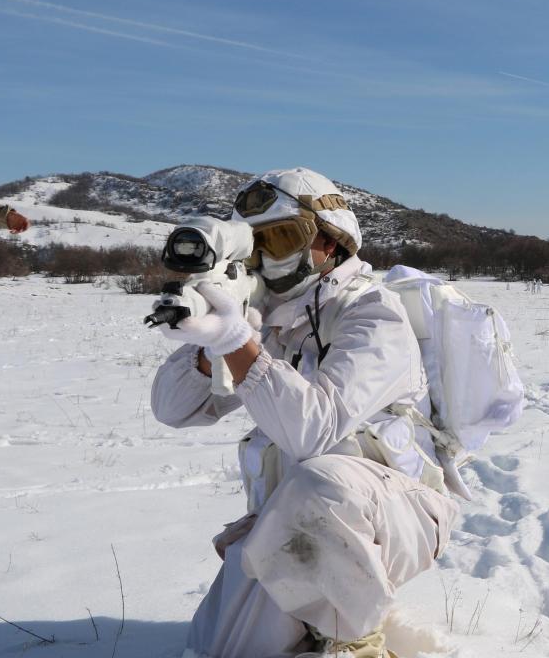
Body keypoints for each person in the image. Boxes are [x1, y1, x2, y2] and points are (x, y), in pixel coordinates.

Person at [150, 168, 458, 658]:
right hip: (290, 522)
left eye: (284, 238)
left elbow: (313, 433)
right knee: (217, 648)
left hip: (396, 515)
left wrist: (238, 343)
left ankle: (355, 643)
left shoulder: (372, 313)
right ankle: (316, 611)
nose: (269, 257)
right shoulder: (268, 317)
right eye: (256, 244)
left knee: (323, 484)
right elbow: (171, 409)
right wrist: (210, 347)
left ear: (333, 242)